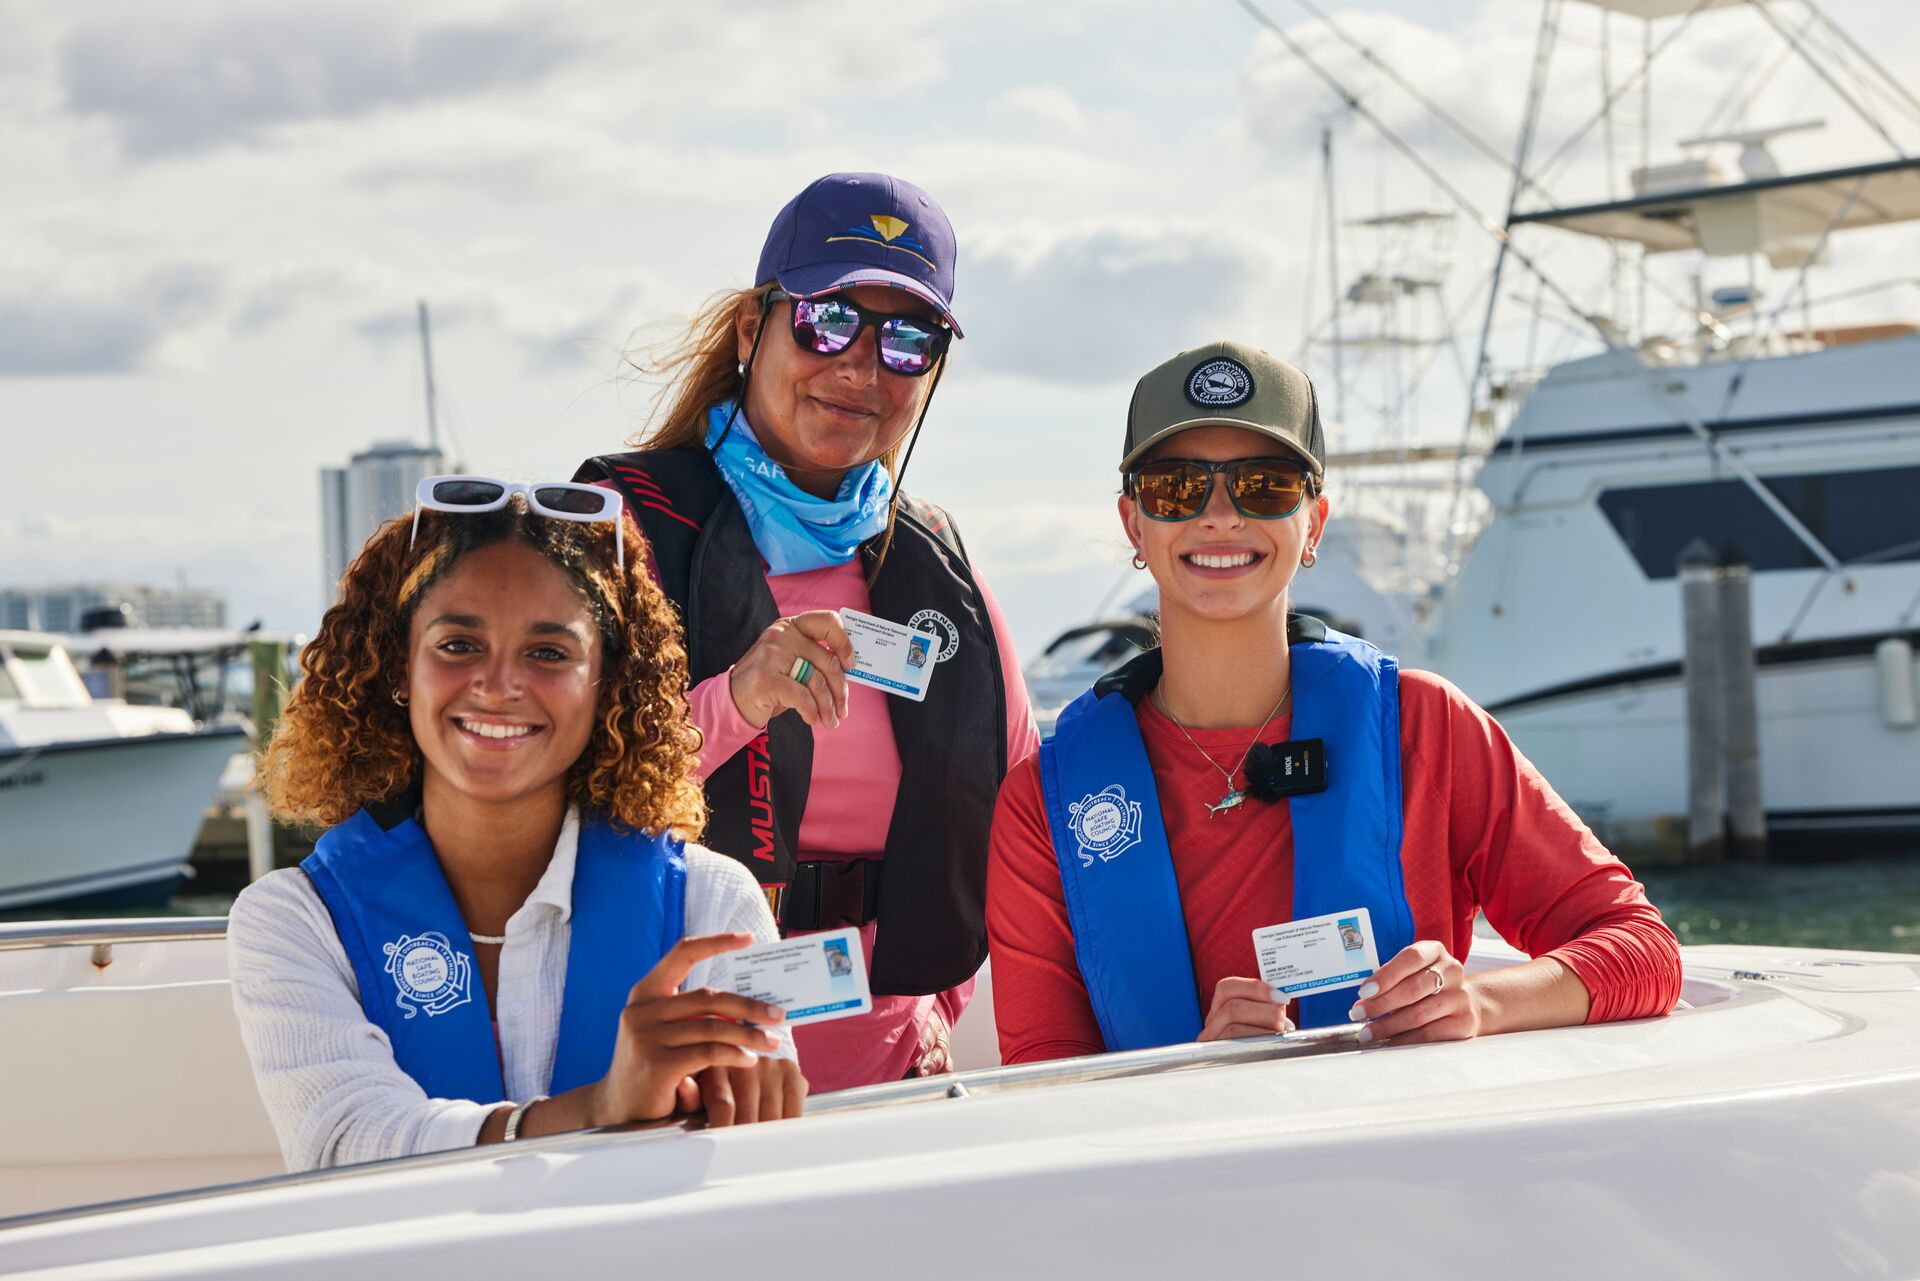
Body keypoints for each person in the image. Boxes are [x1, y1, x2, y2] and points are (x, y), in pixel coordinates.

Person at [986, 342, 1682, 1063]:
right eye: (1176, 487)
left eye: (1264, 484)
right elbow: (1044, 1084)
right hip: (1175, 1171)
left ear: (1313, 523)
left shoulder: (1427, 729)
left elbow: (1644, 949)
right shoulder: (1043, 803)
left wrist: (1476, 1001)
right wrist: (1197, 1066)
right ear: (1135, 524)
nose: (1219, 515)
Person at [576, 172, 1039, 1089]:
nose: (861, 368)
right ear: (755, 328)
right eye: (829, 321)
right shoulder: (618, 532)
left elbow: (1014, 814)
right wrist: (738, 700)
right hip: (671, 1071)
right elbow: (552, 788)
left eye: (910, 342)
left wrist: (930, 1011)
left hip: (889, 1072)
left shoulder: (939, 568)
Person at [230, 478, 805, 1172]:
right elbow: (341, 1140)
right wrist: (597, 1113)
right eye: (458, 644)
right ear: (398, 667)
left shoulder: (715, 905)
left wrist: (750, 1099)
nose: (499, 683)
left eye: (549, 653)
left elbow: (758, 1154)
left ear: (607, 683)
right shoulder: (293, 918)